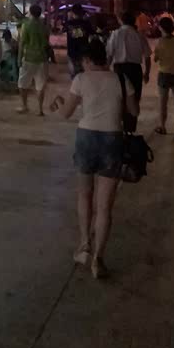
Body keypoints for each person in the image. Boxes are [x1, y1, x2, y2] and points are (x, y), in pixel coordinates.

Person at [51, 39, 137, 278]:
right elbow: (134, 111)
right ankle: (98, 260)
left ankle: (84, 246)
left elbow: (65, 113)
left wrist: (58, 102)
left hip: (86, 137)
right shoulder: (121, 79)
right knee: (105, 206)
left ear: (88, 60)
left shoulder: (81, 79)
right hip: (112, 139)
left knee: (84, 195)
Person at [106, 11, 151, 132]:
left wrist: (105, 70)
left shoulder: (116, 34)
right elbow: (147, 56)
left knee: (118, 98)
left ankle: (117, 127)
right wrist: (147, 73)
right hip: (135, 70)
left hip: (119, 70)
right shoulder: (139, 35)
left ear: (121, 21)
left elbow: (109, 54)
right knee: (134, 98)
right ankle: (130, 129)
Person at [154, 16, 174, 138]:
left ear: (161, 28)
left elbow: (156, 58)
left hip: (164, 74)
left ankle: (162, 127)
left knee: (163, 103)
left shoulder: (160, 41)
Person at [18, 4, 50, 115]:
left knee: (23, 84)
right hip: (42, 58)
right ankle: (40, 109)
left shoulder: (26, 25)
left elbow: (22, 42)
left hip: (28, 57)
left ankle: (24, 106)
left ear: (30, 12)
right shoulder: (44, 26)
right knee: (40, 85)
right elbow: (47, 42)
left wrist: (19, 58)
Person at [66, 4, 93, 78]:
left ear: (72, 12)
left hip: (72, 51)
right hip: (83, 51)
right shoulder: (86, 23)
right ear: (82, 12)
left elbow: (64, 30)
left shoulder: (69, 23)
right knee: (83, 74)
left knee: (74, 74)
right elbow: (92, 33)